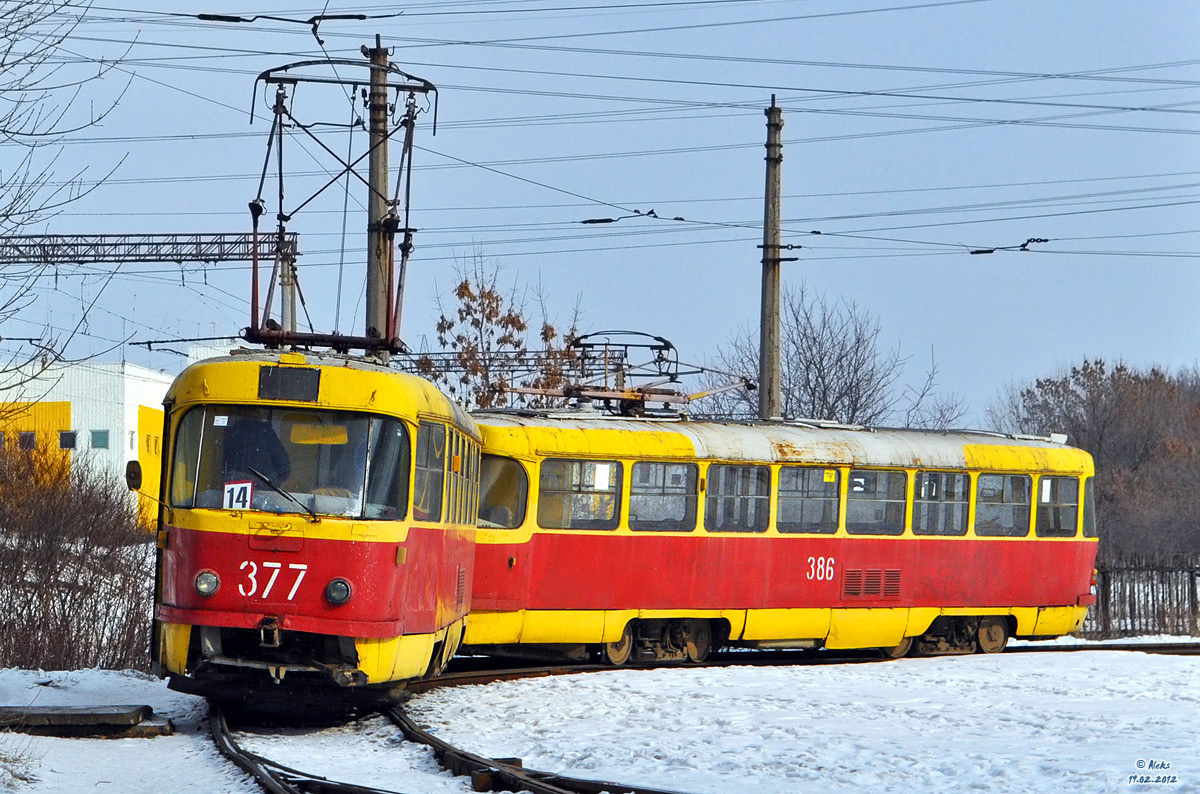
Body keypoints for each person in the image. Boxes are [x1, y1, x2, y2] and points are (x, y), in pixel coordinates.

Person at [224, 415, 290, 485]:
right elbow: (283, 469)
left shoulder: (231, 433)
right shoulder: (266, 433)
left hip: (233, 485)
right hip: (265, 487)